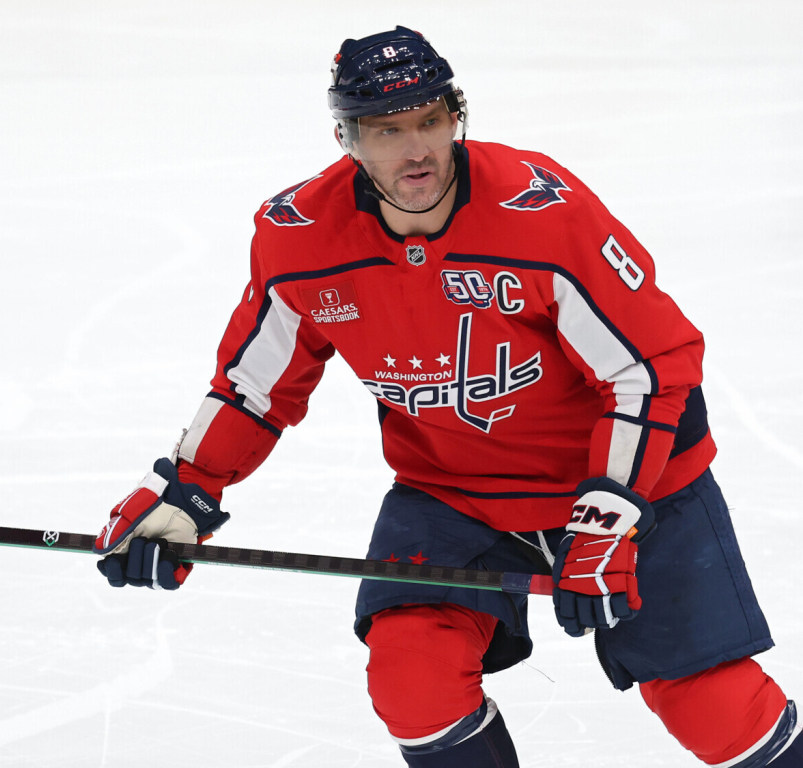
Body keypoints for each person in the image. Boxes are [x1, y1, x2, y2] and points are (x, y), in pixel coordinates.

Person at [93, 27, 802, 767]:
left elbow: (652, 366)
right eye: (388, 130)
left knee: (712, 706)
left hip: (635, 480)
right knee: (413, 678)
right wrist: (188, 487)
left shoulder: (540, 213)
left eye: (432, 120)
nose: (418, 150)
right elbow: (253, 388)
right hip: (455, 490)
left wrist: (608, 517)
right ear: (346, 138)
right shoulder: (299, 239)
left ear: (456, 116)